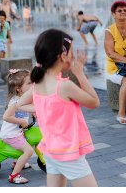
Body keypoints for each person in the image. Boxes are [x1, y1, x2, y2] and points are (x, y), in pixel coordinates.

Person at [17, 29, 99, 187]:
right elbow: (94, 102)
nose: (73, 57)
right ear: (62, 56)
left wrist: (42, 110)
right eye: (71, 52)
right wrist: (80, 74)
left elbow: (20, 103)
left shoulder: (38, 83)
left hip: (50, 150)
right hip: (68, 154)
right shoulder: (64, 86)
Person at [0, 69, 37, 185]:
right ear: (18, 89)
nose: (33, 84)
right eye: (29, 83)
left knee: (29, 141)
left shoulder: (24, 98)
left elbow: (28, 107)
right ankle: (14, 175)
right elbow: (6, 117)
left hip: (17, 132)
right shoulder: (15, 102)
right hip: (11, 134)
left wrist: (33, 112)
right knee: (29, 151)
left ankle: (17, 162)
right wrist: (21, 121)